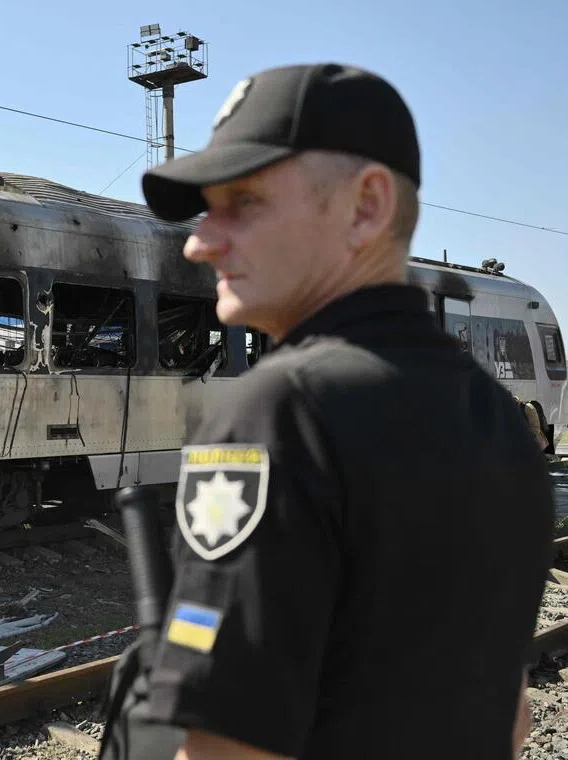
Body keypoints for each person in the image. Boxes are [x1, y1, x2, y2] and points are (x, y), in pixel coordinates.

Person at [98, 63, 555, 759]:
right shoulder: (498, 420)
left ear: (365, 207)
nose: (199, 240)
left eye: (243, 204)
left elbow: (227, 750)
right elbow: (511, 718)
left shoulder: (280, 412)